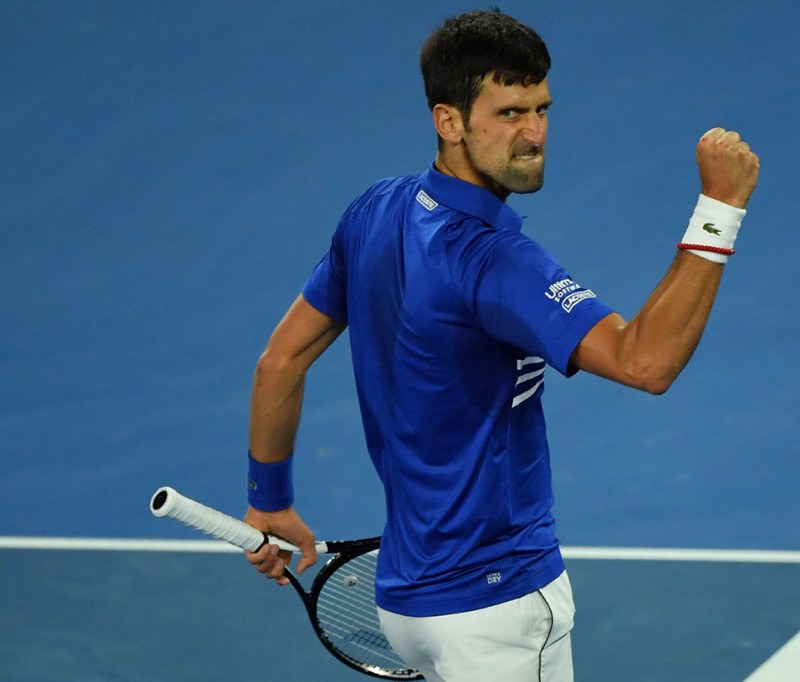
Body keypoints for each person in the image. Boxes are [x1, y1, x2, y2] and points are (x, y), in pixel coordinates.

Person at [242, 9, 758, 682]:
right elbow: (647, 361)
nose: (534, 135)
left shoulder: (374, 212)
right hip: (498, 605)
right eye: (510, 113)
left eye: (542, 110)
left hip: (408, 604)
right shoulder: (496, 262)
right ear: (448, 119)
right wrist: (720, 209)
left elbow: (279, 360)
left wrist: (269, 498)